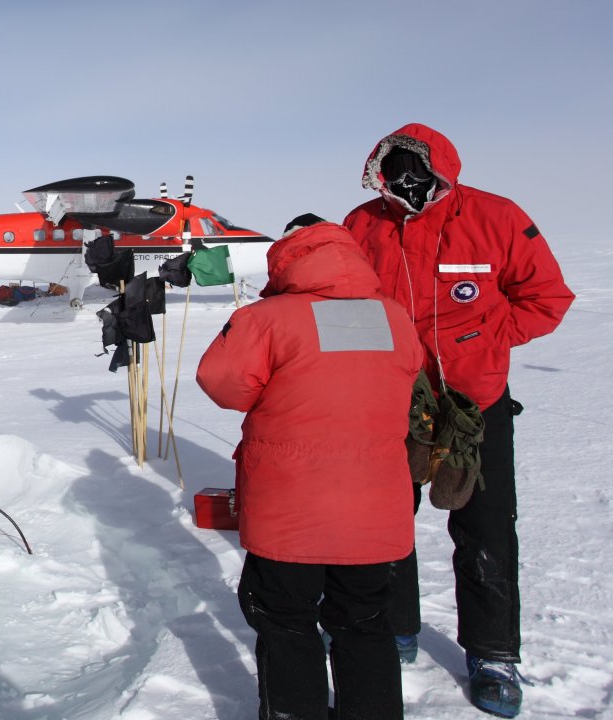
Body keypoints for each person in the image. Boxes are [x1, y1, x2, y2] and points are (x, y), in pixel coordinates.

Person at [343, 123, 575, 718]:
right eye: (393, 172)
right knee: (386, 522)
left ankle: (493, 653)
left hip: (475, 406)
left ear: (442, 169)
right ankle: (395, 630)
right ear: (380, 173)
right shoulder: (362, 224)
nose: (406, 182)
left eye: (417, 170)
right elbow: (338, 300)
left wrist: (484, 340)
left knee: (485, 527)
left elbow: (547, 299)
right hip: (392, 401)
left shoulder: (496, 217)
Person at [196, 218, 423, 720]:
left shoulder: (268, 317)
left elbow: (222, 384)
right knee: (365, 621)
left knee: (285, 621)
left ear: (286, 263)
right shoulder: (394, 317)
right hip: (374, 507)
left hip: (289, 507)